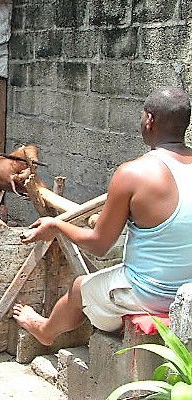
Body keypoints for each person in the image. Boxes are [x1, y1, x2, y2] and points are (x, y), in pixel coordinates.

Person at [13, 86, 192, 346]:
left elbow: (99, 245)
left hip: (154, 295)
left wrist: (57, 226)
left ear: (150, 120)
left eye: (142, 116)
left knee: (79, 287)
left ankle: (45, 330)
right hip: (189, 291)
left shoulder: (133, 173)